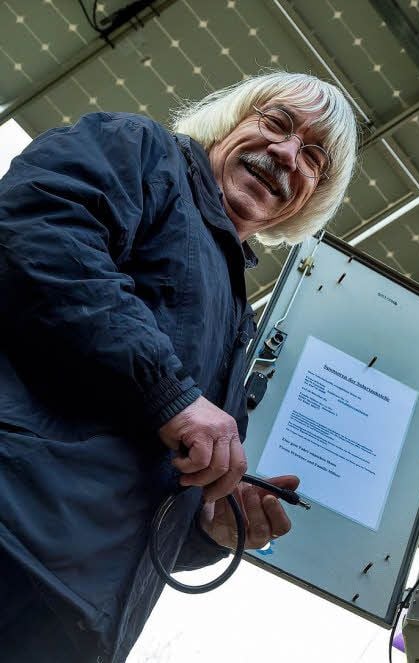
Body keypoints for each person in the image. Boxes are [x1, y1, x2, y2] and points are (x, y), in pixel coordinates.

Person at [0, 71, 357, 662]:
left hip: (77, 620)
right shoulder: (141, 149)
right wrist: (171, 395)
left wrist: (210, 528)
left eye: (313, 156)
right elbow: (36, 232)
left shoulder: (239, 323)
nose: (286, 153)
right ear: (233, 120)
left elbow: (161, 495)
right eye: (276, 122)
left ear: (310, 198)